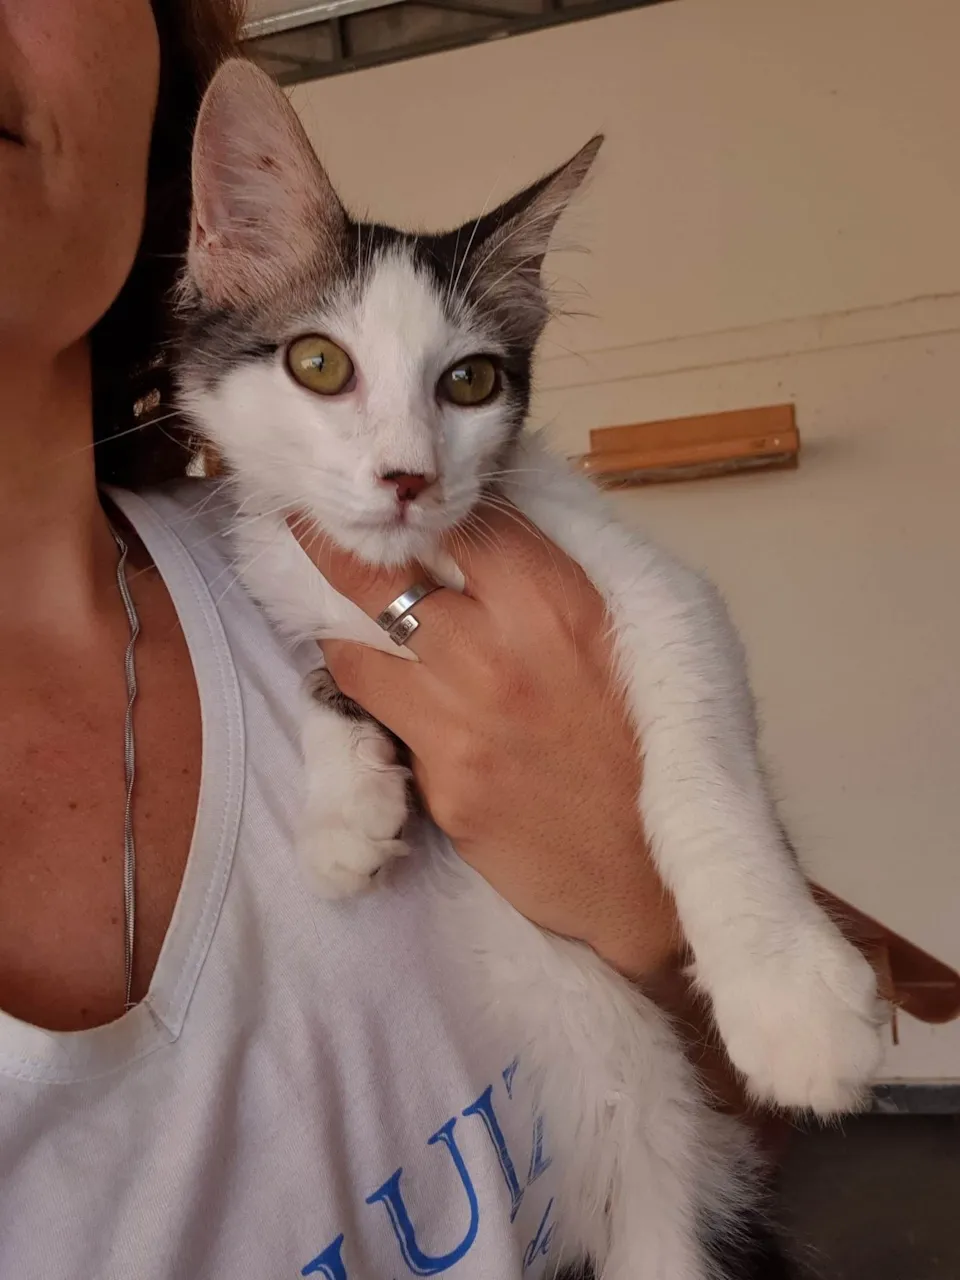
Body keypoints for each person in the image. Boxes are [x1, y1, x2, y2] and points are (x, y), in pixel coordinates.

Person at [0, 2, 792, 1275]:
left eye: (464, 383)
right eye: (325, 365)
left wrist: (656, 921)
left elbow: (754, 1117)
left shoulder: (427, 587)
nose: (405, 459)